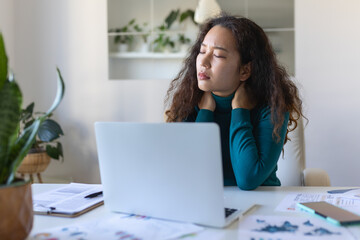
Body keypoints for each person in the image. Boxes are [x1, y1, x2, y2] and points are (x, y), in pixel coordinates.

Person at [164, 15, 304, 190]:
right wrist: (205, 112)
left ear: (244, 70)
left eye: (218, 55)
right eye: (202, 51)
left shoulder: (272, 107)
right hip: (207, 203)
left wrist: (239, 110)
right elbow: (189, 175)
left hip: (262, 205)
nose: (203, 62)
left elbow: (248, 179)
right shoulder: (188, 102)